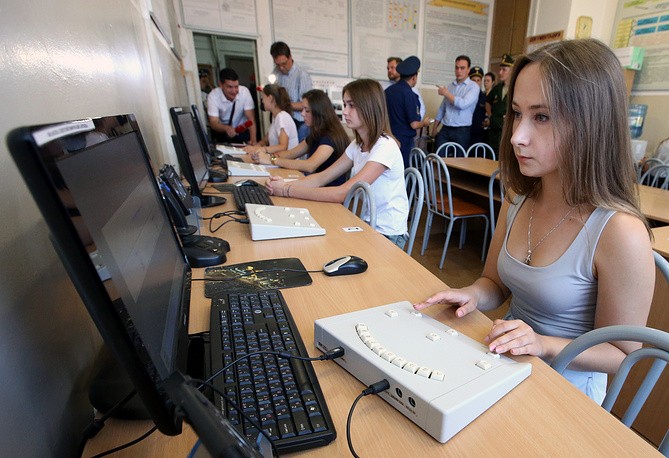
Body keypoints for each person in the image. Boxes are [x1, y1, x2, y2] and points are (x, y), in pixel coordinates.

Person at [414, 39, 655, 404]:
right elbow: (494, 282)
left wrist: (542, 343)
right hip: (508, 364)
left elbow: (622, 355)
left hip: (566, 391)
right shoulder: (519, 196)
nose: (516, 136)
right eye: (517, 113)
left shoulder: (620, 231)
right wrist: (472, 294)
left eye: (541, 117)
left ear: (592, 124)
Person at [265, 79, 409, 248]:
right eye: (344, 105)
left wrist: (287, 191)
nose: (345, 112)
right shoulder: (357, 144)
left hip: (388, 233)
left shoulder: (385, 146)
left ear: (369, 107)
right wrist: (286, 184)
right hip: (367, 222)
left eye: (351, 105)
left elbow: (342, 193)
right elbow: (322, 178)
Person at [250, 89, 349, 187]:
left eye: (307, 111)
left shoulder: (330, 136)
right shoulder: (317, 133)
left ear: (318, 112)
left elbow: (310, 165)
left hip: (327, 192)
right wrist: (267, 156)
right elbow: (291, 153)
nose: (302, 114)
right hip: (317, 186)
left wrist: (272, 160)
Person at [385, 56, 432, 168]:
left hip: (388, 137)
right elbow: (414, 124)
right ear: (414, 77)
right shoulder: (410, 95)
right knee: (403, 169)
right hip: (403, 140)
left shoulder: (387, 91)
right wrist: (425, 123)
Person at [432, 55, 480, 151]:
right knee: (438, 159)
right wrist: (434, 128)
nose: (459, 71)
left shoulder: (473, 87)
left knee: (459, 162)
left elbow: (462, 104)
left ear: (468, 70)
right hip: (445, 128)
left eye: (462, 68)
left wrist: (446, 93)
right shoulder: (450, 86)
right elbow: (442, 109)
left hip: (462, 130)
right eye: (457, 68)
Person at [270, 41, 313, 142]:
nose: (281, 68)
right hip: (281, 120)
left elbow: (306, 104)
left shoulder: (302, 75)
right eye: (278, 64)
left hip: (299, 122)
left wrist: (284, 105)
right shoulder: (275, 73)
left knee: (294, 152)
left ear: (290, 57)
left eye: (284, 64)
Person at [243, 84, 298, 155]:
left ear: (270, 98)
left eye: (263, 98)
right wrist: (254, 147)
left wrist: (263, 149)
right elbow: (265, 140)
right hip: (277, 159)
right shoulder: (275, 117)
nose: (262, 101)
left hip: (287, 163)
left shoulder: (282, 117)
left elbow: (283, 147)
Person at [207, 68, 257, 145]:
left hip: (242, 132)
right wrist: (227, 128)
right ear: (220, 84)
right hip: (223, 133)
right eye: (230, 87)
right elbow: (213, 123)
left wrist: (253, 140)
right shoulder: (213, 96)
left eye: (236, 87)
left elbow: (251, 119)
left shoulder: (244, 92)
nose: (234, 91)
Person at [486, 54, 514, 153]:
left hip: (506, 128)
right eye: (500, 69)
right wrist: (490, 116)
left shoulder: (515, 88)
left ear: (511, 70)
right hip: (494, 127)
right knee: (491, 154)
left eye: (504, 70)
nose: (500, 72)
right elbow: (488, 102)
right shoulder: (497, 88)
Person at [468, 66, 487, 146]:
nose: (476, 83)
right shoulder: (465, 95)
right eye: (473, 80)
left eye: (478, 80)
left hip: (479, 133)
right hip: (466, 131)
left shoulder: (485, 97)